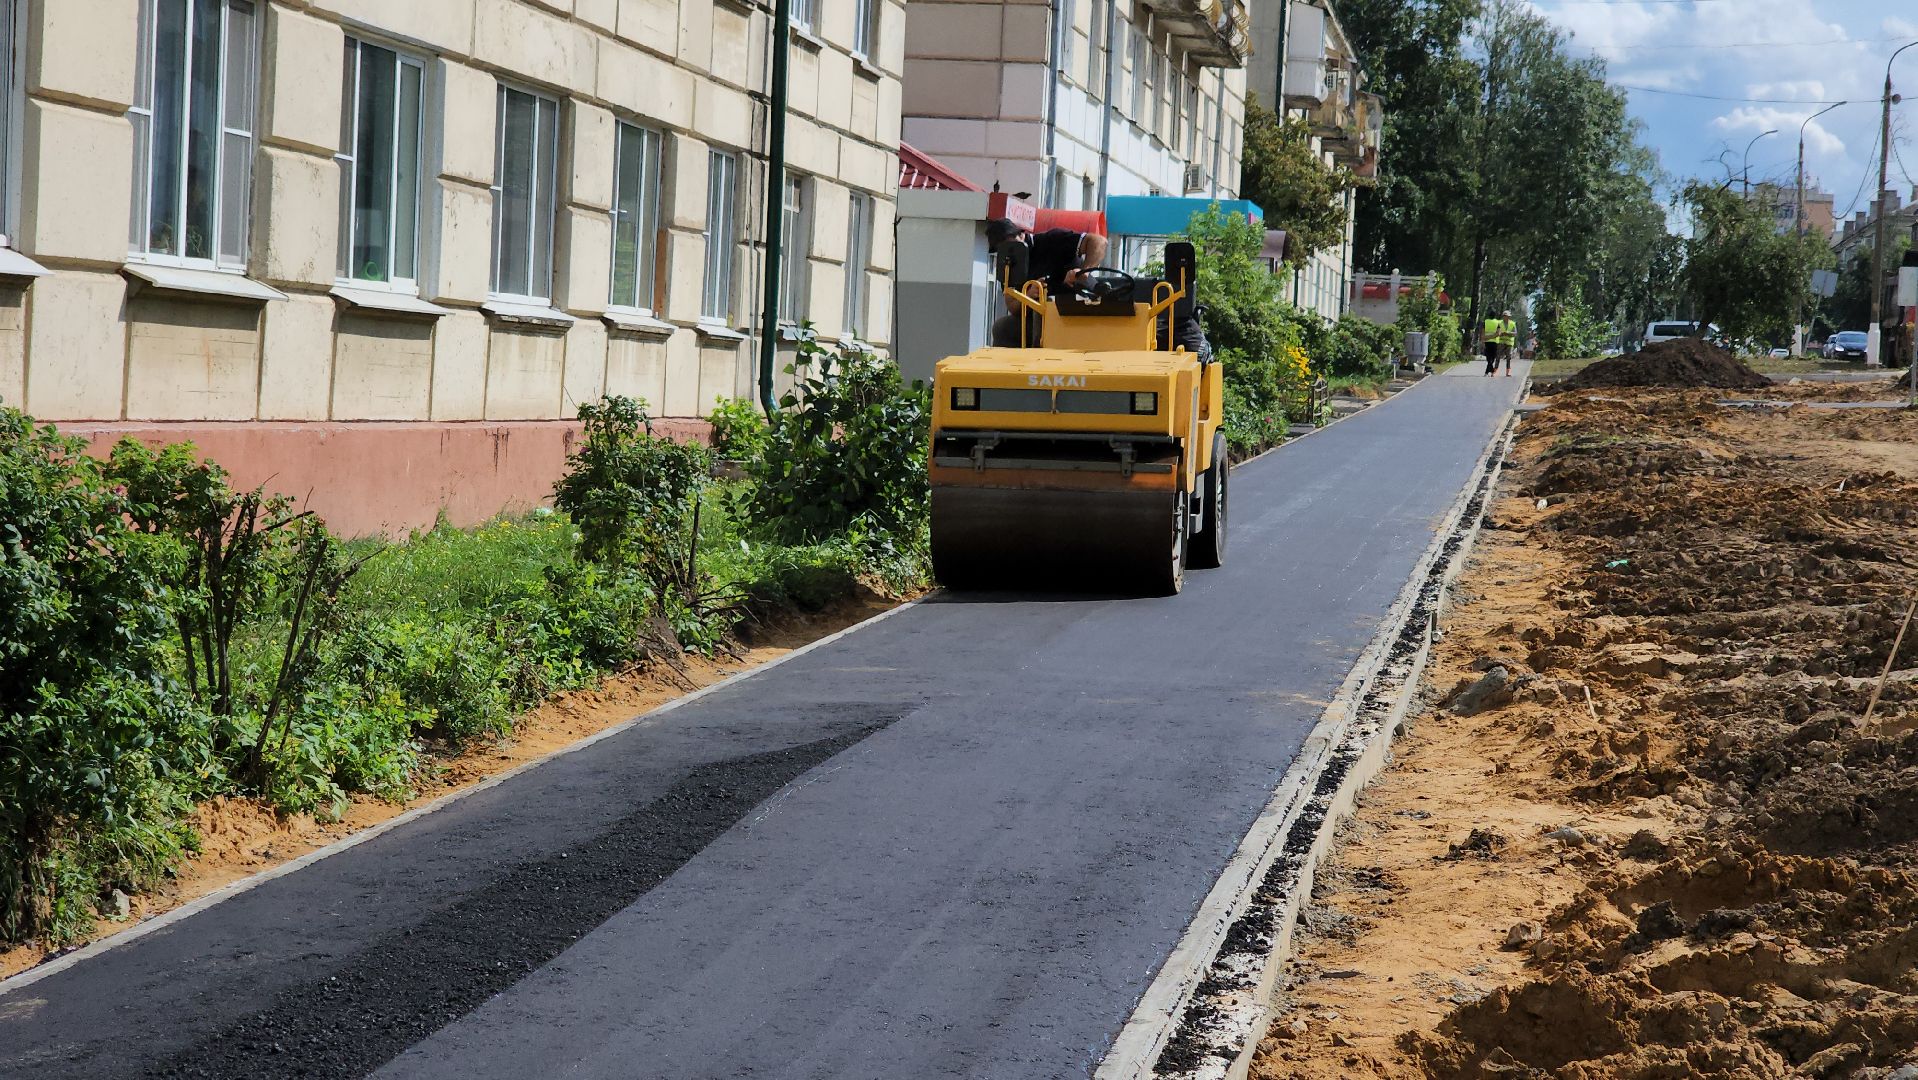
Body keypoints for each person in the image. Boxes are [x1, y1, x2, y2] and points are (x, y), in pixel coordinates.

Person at [987, 219, 1107, 347]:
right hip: (1040, 319)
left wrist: (1083, 271)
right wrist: (1028, 296)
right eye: (1002, 249)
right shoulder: (1009, 264)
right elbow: (1012, 306)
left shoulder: (1053, 239)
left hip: (1074, 309)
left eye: (1011, 246)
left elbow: (1099, 242)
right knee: (1002, 328)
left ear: (1021, 235)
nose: (1010, 251)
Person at [1483, 309, 1518, 376]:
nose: (1505, 317)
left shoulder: (1513, 323)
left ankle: (1508, 371)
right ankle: (1495, 371)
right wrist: (1500, 333)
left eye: (1507, 316)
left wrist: (1508, 333)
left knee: (1509, 357)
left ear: (1509, 317)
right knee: (1498, 357)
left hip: (1509, 343)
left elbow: (1515, 333)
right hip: (1501, 342)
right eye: (1504, 316)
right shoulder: (1499, 323)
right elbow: (1496, 331)